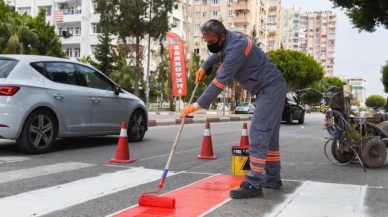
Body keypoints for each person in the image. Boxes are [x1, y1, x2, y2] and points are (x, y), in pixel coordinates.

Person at [180, 19, 288, 199]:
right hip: (270, 88)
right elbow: (218, 54)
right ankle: (273, 179)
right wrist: (205, 65)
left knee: (258, 133)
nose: (209, 45)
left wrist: (196, 105)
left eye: (211, 42)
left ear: (222, 36)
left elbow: (219, 83)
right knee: (269, 138)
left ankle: (254, 184)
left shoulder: (236, 47)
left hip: (270, 88)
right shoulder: (229, 41)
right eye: (206, 42)